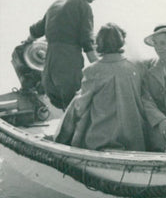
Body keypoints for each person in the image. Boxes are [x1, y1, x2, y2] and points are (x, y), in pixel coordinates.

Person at [55, 23, 148, 151]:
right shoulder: (135, 67)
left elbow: (80, 107)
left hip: (102, 139)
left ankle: (60, 142)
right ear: (121, 42)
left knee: (79, 101)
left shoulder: (93, 70)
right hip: (134, 139)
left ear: (99, 43)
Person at [28, 0, 107, 109]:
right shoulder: (83, 6)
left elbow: (36, 30)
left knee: (63, 107)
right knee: (74, 108)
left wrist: (27, 42)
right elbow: (87, 45)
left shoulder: (56, 4)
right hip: (68, 67)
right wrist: (103, 70)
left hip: (49, 70)